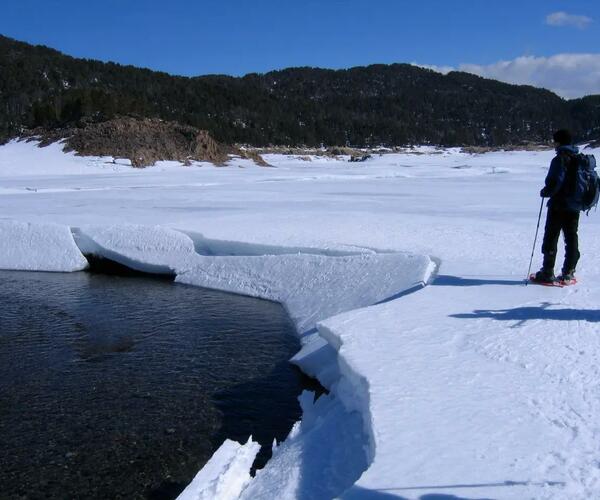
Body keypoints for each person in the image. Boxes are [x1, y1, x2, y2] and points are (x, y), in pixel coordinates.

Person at [533, 129, 580, 284]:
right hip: (574, 205)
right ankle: (569, 272)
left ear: (559, 142)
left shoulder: (560, 159)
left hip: (559, 205)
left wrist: (546, 191)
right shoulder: (578, 157)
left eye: (555, 141)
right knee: (571, 237)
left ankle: (547, 272)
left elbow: (555, 181)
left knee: (551, 237)